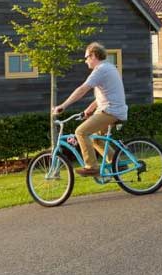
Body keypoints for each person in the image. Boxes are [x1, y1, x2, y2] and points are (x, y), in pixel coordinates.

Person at [53, 42, 127, 176]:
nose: (85, 61)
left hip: (110, 111)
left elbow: (82, 89)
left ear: (93, 55)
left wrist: (63, 105)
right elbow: (104, 95)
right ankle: (117, 163)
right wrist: (89, 109)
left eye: (86, 57)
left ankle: (91, 166)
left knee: (80, 132)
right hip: (112, 110)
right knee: (96, 139)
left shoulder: (100, 70)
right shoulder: (109, 67)